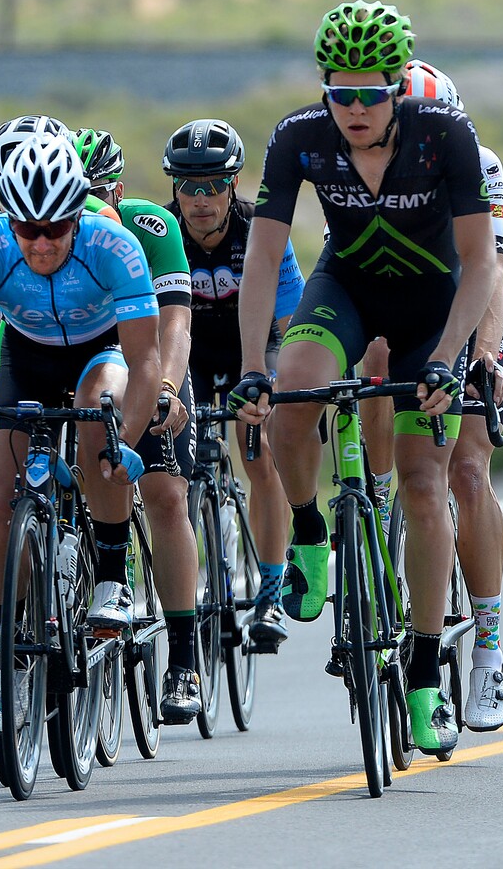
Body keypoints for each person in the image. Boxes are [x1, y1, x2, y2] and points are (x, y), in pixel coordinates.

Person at [229, 0, 496, 756]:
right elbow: (261, 256)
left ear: (396, 90)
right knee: (290, 398)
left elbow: (479, 262)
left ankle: (420, 675)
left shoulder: (445, 137)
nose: (351, 109)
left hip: (432, 310)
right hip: (345, 289)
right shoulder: (299, 139)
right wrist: (253, 364)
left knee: (420, 485)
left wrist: (449, 356)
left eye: (369, 94)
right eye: (337, 93)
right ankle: (311, 531)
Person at [0, 134, 161, 732]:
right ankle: (1, 641)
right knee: (2, 501)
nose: (43, 242)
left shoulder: (116, 246)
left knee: (98, 413)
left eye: (57, 227)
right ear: (9, 217)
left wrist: (124, 439)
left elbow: (147, 362)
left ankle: (109, 571)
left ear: (79, 214)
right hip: (25, 355)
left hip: (100, 350)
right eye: (28, 229)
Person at [359, 58, 503, 732]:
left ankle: (488, 648)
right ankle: (376, 507)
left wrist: (481, 355)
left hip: (470, 304)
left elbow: (494, 270)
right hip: (401, 298)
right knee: (370, 364)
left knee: (469, 468)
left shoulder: (477, 162)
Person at [73, 127, 201, 722]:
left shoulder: (151, 229)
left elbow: (175, 326)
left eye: (99, 191)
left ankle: (183, 658)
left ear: (118, 189)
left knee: (166, 494)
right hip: (83, 363)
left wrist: (170, 390)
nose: (88, 205)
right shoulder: (52, 237)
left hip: (149, 364)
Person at [162, 119, 305, 647]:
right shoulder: (161, 234)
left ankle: (270, 594)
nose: (201, 200)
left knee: (259, 454)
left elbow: (292, 329)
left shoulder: (260, 231)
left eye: (214, 186)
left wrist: (279, 388)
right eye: (188, 187)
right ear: (174, 187)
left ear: (234, 184)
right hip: (192, 352)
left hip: (255, 347)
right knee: (176, 465)